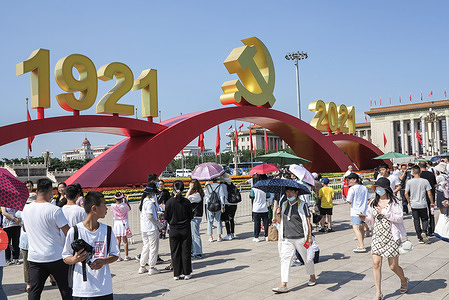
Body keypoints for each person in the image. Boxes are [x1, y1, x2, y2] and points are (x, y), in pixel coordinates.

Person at [62, 191, 120, 300]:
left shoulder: (107, 230)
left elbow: (115, 254)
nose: (106, 208)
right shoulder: (74, 231)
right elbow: (65, 257)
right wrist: (75, 259)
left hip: (104, 289)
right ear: (94, 208)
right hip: (82, 290)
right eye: (104, 204)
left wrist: (104, 261)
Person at [22, 178, 72, 299]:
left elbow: (24, 229)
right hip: (55, 256)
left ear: (37, 190)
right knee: (66, 289)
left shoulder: (26, 209)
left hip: (35, 258)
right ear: (50, 191)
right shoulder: (55, 210)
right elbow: (69, 232)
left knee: (34, 291)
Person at [359, 177, 408, 300]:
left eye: (380, 188)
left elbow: (399, 218)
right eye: (376, 188)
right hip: (378, 236)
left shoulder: (394, 202)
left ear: (386, 189)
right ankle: (378, 292)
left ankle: (403, 280)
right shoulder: (373, 203)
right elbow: (371, 220)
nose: (378, 190)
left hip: (391, 236)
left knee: (393, 266)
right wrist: (364, 219)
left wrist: (385, 212)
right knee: (376, 264)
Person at [271, 186, 316, 293]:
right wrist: (277, 214)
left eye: (291, 191)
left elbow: (308, 222)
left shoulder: (303, 205)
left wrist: (309, 237)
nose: (289, 194)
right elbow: (279, 221)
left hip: (301, 237)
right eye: (287, 191)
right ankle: (283, 284)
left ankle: (312, 276)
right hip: (287, 238)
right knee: (285, 259)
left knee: (307, 259)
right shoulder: (283, 204)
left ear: (296, 193)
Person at [165, 180, 193, 280]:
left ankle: (176, 273)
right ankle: (186, 272)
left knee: (175, 251)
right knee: (186, 251)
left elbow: (166, 217)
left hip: (174, 229)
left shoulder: (169, 202)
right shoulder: (186, 202)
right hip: (185, 229)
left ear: (173, 189)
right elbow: (191, 215)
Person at [138, 183, 164, 275]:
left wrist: (158, 213)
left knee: (146, 247)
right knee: (153, 248)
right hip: (151, 228)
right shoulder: (149, 202)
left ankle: (142, 266)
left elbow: (148, 215)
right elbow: (150, 216)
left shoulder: (143, 202)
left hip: (144, 228)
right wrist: (159, 224)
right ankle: (152, 267)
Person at [405, 165, 434, 244]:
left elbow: (406, 193)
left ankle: (420, 237)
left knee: (416, 220)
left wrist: (409, 201)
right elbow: (429, 193)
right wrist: (432, 202)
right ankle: (424, 231)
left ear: (413, 172)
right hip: (423, 204)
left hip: (414, 204)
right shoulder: (425, 181)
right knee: (425, 219)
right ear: (420, 171)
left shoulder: (409, 182)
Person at [346, 173, 369, 252]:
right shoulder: (364, 188)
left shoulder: (352, 189)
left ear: (355, 179)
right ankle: (361, 244)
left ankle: (362, 246)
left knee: (355, 228)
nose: (349, 181)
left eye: (350, 179)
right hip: (364, 210)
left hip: (356, 211)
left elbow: (349, 200)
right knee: (361, 228)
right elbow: (368, 198)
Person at [110, 192, 132, 261]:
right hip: (124, 222)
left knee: (118, 240)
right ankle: (126, 255)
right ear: (122, 198)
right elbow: (129, 208)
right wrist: (126, 200)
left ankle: (118, 256)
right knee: (125, 240)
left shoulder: (112, 205)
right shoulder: (124, 205)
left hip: (116, 222)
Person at [185, 179, 204, 258]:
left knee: (195, 235)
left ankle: (198, 252)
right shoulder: (196, 194)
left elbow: (186, 198)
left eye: (191, 185)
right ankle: (194, 250)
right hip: (193, 216)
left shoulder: (197, 195)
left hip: (195, 216)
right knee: (192, 234)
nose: (189, 186)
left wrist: (189, 189)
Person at [204, 178, 226, 242]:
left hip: (210, 205)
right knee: (218, 221)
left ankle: (210, 237)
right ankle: (219, 236)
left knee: (210, 221)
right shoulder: (219, 186)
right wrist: (223, 206)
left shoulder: (208, 186)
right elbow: (221, 197)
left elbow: (207, 197)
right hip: (217, 205)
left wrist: (208, 204)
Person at [249, 174, 270, 242]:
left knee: (257, 223)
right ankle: (266, 236)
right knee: (266, 222)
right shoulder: (266, 188)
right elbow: (268, 196)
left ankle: (256, 237)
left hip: (256, 208)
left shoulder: (254, 188)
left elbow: (251, 196)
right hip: (264, 207)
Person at [418, 161, 437, 236]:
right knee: (431, 213)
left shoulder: (419, 175)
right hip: (431, 196)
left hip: (422, 197)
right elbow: (434, 184)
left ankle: (424, 229)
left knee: (423, 215)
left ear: (419, 167)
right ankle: (431, 229)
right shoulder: (431, 174)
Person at [220, 174, 238, 241]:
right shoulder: (233, 185)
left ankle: (228, 234)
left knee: (226, 219)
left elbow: (222, 196)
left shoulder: (223, 186)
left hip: (227, 203)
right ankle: (232, 233)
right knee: (232, 219)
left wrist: (222, 206)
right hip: (234, 203)